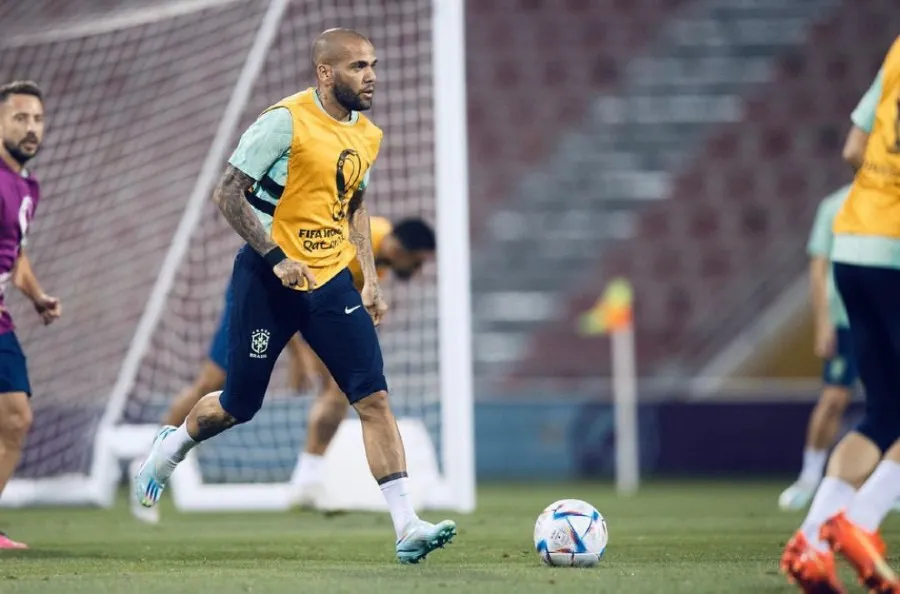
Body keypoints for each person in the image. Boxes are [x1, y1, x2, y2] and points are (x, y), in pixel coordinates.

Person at [132, 28, 455, 563]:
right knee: (240, 403)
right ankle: (169, 448)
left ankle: (406, 525)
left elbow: (354, 207)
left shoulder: (368, 136)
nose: (370, 75)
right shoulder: (283, 121)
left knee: (372, 398)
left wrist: (370, 278)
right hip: (267, 279)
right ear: (326, 73)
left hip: (330, 281)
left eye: (372, 65)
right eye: (357, 67)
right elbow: (227, 193)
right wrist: (276, 258)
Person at [129, 216, 436, 523]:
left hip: (310, 297)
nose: (417, 270)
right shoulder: (359, 240)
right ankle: (154, 455)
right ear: (398, 246)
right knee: (213, 382)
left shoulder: (375, 263)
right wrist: (300, 356)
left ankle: (308, 478)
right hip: (264, 291)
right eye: (418, 261)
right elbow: (288, 290)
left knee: (344, 388)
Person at [781, 37, 900, 593]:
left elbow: (855, 149)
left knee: (884, 415)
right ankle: (860, 522)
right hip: (897, 248)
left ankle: (808, 542)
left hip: (855, 241)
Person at [0, 81, 62, 550]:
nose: (31, 128)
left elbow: (14, 254)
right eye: (20, 118)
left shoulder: (27, 185)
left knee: (17, 418)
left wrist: (36, 295)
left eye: (37, 119)